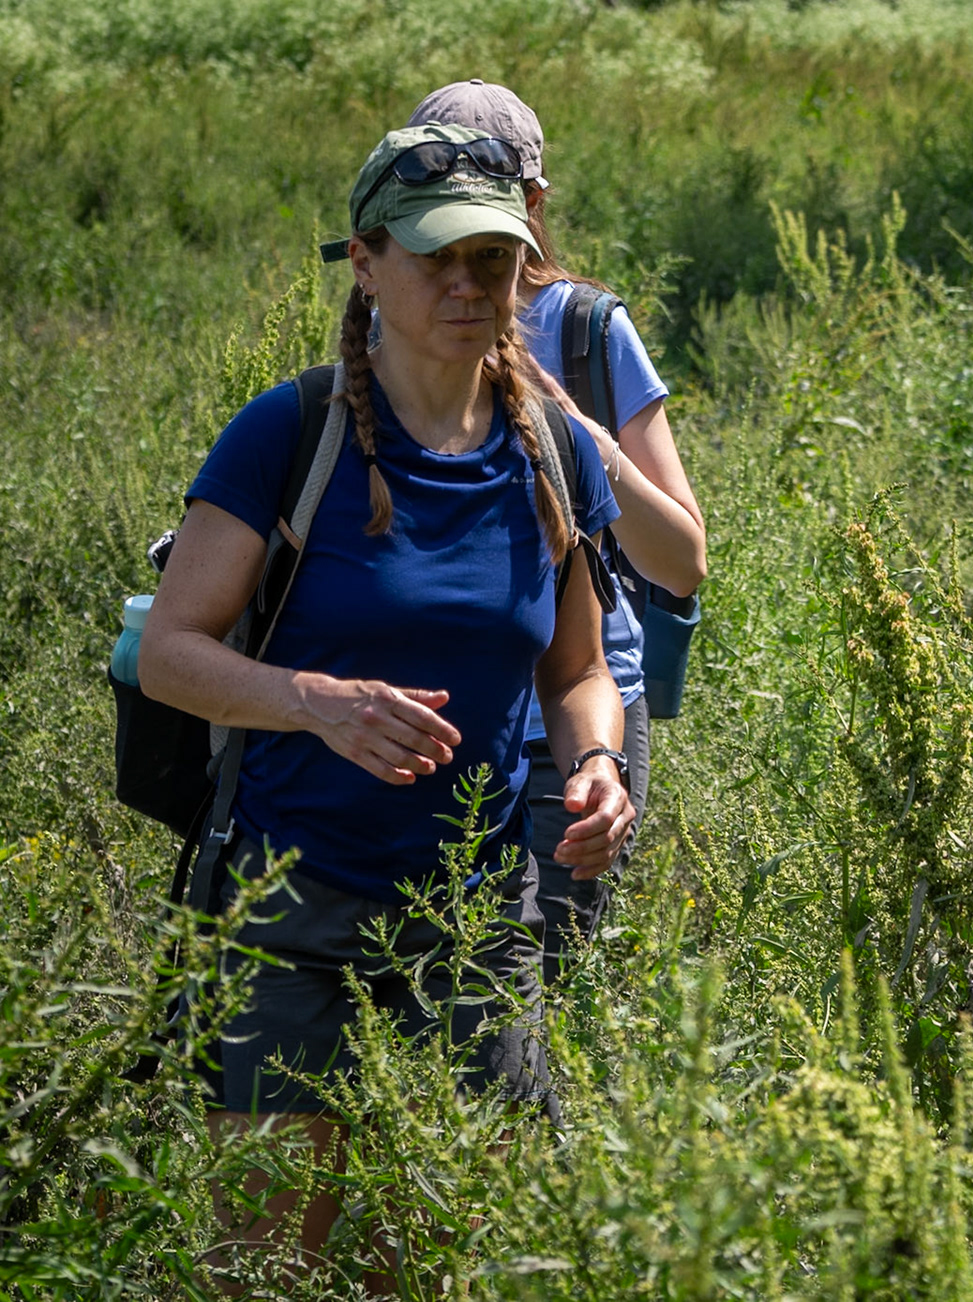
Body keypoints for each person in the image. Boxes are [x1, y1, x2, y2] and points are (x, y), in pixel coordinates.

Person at [139, 123, 636, 1282]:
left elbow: (575, 672)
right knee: (270, 1263)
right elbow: (172, 650)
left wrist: (597, 765)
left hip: (472, 923)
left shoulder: (552, 448)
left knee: (448, 1255)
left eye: (494, 259)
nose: (468, 284)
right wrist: (313, 701)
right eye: (434, 257)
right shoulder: (290, 432)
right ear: (365, 262)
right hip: (287, 912)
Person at [407, 80, 707, 983]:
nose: (462, 267)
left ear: (533, 207)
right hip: (438, 721)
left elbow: (681, 560)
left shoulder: (586, 326)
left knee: (538, 992)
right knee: (423, 982)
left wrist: (575, 436)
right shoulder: (404, 315)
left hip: (574, 725)